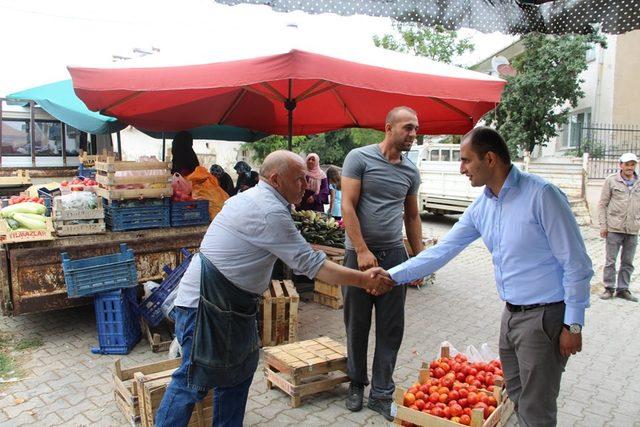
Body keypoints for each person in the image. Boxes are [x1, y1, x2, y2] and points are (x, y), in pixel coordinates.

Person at [154, 150, 394, 427]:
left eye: (306, 178)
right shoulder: (268, 210)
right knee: (193, 380)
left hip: (232, 305)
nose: (306, 185)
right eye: (299, 179)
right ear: (276, 179)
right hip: (205, 305)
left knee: (237, 375)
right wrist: (364, 280)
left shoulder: (260, 200)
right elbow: (311, 264)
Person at [387, 127, 593, 426]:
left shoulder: (542, 195)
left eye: (466, 160)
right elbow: (442, 251)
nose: (461, 169)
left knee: (537, 409)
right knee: (518, 397)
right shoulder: (483, 206)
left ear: (491, 159)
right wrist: (392, 276)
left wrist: (573, 323)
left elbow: (577, 263)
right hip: (510, 316)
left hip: (544, 318)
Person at [341, 106, 423, 421]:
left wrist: (419, 261)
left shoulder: (410, 171)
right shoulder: (359, 158)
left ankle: (381, 393)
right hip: (358, 257)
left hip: (394, 258)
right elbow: (347, 205)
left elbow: (412, 215)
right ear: (388, 127)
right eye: (408, 128)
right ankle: (356, 383)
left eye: (416, 129)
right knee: (357, 323)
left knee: (391, 328)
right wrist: (361, 250)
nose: (413, 135)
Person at [598, 152, 640, 302]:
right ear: (620, 165)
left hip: (633, 228)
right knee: (610, 261)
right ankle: (609, 288)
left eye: (632, 164)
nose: (630, 167)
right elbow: (602, 204)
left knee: (628, 261)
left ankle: (623, 289)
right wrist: (603, 225)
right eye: (627, 164)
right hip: (614, 228)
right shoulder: (611, 181)